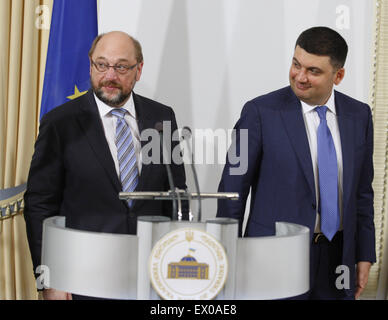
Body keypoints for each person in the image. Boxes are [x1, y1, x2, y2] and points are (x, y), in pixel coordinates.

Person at [24, 31, 187, 300]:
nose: (110, 76)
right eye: (102, 64)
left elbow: (176, 196)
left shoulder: (162, 117)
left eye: (121, 66)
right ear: (91, 65)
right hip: (82, 279)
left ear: (139, 70)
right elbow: (40, 205)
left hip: (151, 277)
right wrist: (49, 279)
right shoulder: (60, 123)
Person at [217, 26, 375, 300]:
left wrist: (364, 253)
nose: (299, 77)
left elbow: (362, 193)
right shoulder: (258, 112)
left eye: (313, 71)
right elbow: (232, 191)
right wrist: (225, 255)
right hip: (272, 259)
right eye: (296, 64)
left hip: (338, 259)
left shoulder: (359, 115)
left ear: (338, 76)